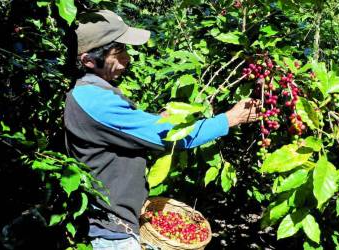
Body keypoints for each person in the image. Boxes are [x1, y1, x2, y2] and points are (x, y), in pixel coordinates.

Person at [65, 10, 260, 250]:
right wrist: (230, 119)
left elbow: (124, 132)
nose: (128, 59)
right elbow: (176, 138)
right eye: (119, 52)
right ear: (88, 60)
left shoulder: (91, 92)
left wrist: (158, 120)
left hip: (115, 221)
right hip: (114, 232)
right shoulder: (95, 101)